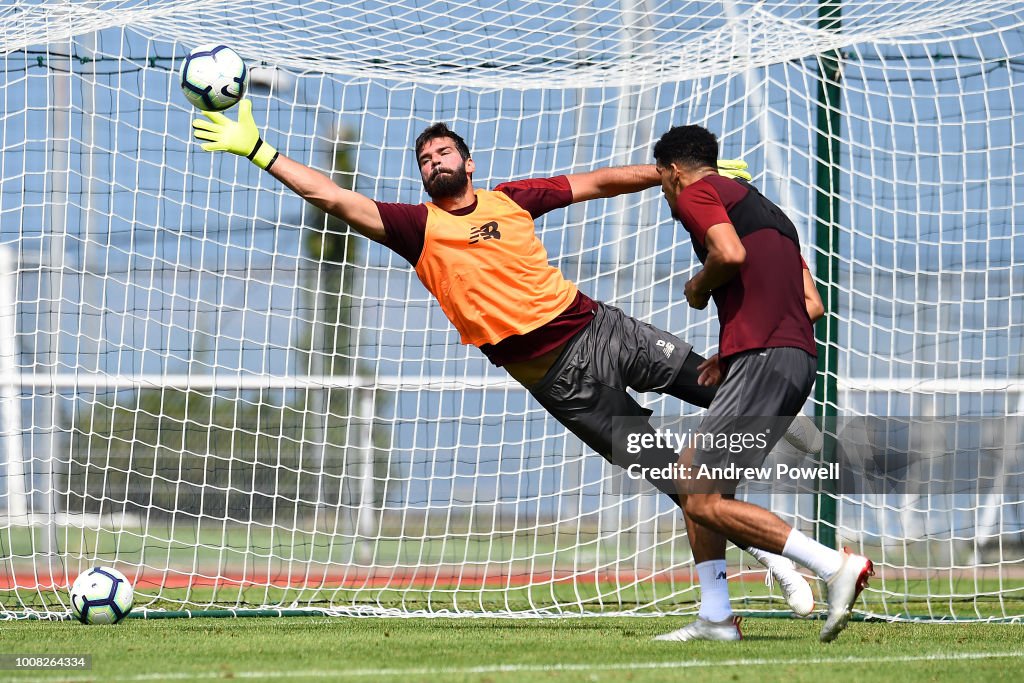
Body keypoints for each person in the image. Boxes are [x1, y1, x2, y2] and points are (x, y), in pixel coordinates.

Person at [190, 101, 820, 617]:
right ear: (422, 176)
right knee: (679, 481)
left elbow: (596, 183)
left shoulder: (512, 198)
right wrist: (257, 149)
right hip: (564, 385)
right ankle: (770, 565)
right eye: (424, 159)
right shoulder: (417, 227)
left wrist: (684, 177)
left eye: (444, 152)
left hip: (605, 330)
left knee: (718, 383)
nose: (435, 162)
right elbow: (334, 199)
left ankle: (806, 439)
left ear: (468, 160)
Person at [650, 124, 873, 643]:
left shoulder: (699, 193)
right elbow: (811, 305)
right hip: (790, 359)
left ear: (675, 171)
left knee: (701, 496)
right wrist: (732, 355)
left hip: (767, 359)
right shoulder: (773, 215)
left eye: (661, 179)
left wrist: (697, 288)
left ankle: (831, 566)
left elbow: (728, 256)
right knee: (697, 481)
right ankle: (716, 616)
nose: (664, 189)